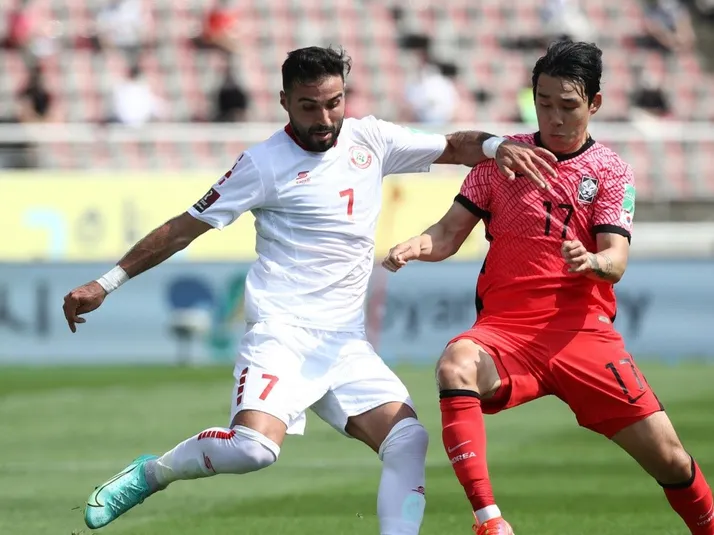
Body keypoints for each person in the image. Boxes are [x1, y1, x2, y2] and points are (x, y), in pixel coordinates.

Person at [62, 46, 558, 533]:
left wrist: (497, 145)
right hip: (282, 333)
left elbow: (453, 145)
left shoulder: (370, 139)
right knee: (254, 450)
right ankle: (153, 473)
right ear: (284, 102)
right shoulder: (262, 164)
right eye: (309, 106)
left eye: (333, 103)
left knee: (408, 440)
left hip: (344, 341)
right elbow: (183, 228)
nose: (324, 118)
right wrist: (107, 282)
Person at [382, 40, 713, 535]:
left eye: (568, 106)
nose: (554, 117)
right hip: (506, 332)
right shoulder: (501, 160)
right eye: (544, 103)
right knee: (456, 362)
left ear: (594, 104)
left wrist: (591, 260)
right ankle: (489, 521)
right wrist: (417, 245)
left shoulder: (609, 169)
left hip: (582, 335)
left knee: (671, 459)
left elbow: (616, 260)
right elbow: (448, 233)